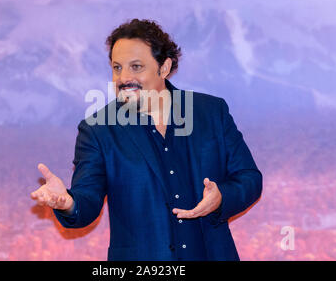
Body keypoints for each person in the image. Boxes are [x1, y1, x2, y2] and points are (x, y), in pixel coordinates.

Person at [30, 18, 262, 261]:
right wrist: (67, 202)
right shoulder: (98, 129)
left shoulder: (211, 111)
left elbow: (249, 178)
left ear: (163, 67)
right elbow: (87, 200)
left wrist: (221, 197)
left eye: (136, 66)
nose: (124, 77)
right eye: (117, 67)